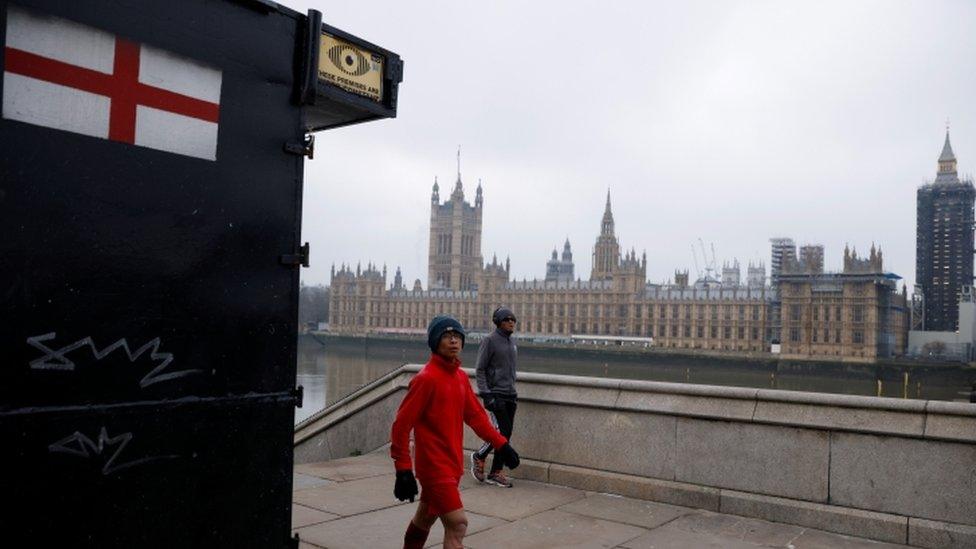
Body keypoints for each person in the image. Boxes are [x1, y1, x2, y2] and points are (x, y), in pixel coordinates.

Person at [391, 315, 520, 549]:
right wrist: (403, 470)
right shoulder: (426, 379)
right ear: (435, 342)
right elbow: (401, 426)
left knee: (425, 518)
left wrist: (501, 444)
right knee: (458, 524)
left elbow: (476, 417)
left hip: (452, 463)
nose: (453, 341)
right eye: (447, 336)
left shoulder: (460, 377)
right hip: (433, 466)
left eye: (457, 336)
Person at [471, 306, 519, 487]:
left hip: (510, 395)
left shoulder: (513, 342)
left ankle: (495, 472)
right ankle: (480, 455)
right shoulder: (489, 341)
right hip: (495, 395)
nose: (511, 322)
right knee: (499, 433)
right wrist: (486, 394)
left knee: (506, 435)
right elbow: (480, 369)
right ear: (498, 321)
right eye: (507, 319)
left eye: (513, 319)